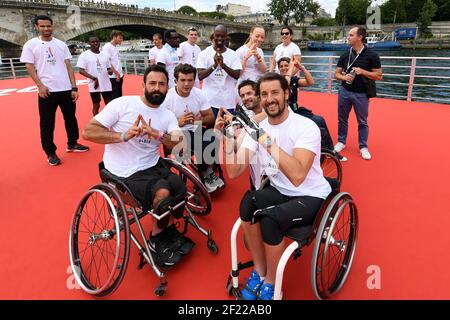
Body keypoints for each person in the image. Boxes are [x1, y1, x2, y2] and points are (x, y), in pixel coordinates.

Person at [216, 72, 331, 300]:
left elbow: (297, 175)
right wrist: (227, 137)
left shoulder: (306, 127)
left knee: (270, 219)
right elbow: (234, 171)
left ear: (287, 94)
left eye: (275, 92)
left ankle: (271, 282)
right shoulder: (257, 129)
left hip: (310, 194)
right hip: (279, 189)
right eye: (265, 94)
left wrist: (266, 141)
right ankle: (260, 271)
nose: (270, 99)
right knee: (248, 202)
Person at [82, 64, 193, 267]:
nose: (157, 88)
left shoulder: (166, 115)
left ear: (167, 87)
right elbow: (88, 132)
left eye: (161, 84)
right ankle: (156, 239)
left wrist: (157, 134)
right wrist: (122, 136)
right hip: (123, 170)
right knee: (163, 193)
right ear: (143, 85)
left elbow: (180, 144)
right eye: (152, 83)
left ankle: (167, 229)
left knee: (179, 187)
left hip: (152, 165)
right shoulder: (122, 105)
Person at [20, 15, 89, 166]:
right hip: (47, 91)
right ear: (36, 27)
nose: (46, 29)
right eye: (42, 26)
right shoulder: (31, 44)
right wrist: (40, 85)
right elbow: (29, 66)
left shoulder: (61, 44)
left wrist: (74, 87)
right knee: (47, 123)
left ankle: (72, 143)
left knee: (71, 118)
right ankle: (50, 152)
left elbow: (68, 66)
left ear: (52, 26)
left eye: (48, 26)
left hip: (66, 89)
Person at [161, 63, 224, 192]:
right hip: (176, 134)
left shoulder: (199, 94)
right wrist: (178, 122)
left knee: (213, 136)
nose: (186, 84)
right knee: (200, 141)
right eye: (182, 80)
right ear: (176, 81)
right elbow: (161, 126)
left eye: (190, 80)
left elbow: (210, 117)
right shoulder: (167, 98)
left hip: (195, 129)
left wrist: (197, 120)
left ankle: (207, 171)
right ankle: (206, 173)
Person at [278, 57, 347, 161]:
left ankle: (329, 150)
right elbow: (284, 85)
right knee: (317, 121)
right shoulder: (277, 81)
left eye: (286, 65)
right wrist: (290, 68)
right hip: (286, 114)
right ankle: (327, 151)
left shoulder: (293, 79)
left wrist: (302, 68)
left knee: (320, 120)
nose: (284, 68)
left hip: (295, 110)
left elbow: (310, 82)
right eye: (281, 66)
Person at [334, 27, 382, 160]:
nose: (348, 37)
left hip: (361, 94)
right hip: (344, 91)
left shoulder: (372, 55)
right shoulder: (345, 55)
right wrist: (344, 78)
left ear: (360, 37)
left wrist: (363, 72)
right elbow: (337, 74)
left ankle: (363, 147)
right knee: (342, 118)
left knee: (362, 121)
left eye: (350, 35)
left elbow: (378, 76)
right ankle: (341, 142)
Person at [197, 25, 242, 118]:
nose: (220, 38)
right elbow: (200, 76)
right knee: (206, 131)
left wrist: (223, 66)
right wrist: (214, 66)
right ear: (213, 36)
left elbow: (237, 75)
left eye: (222, 36)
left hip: (227, 103)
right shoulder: (204, 53)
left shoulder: (233, 55)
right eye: (217, 35)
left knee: (228, 131)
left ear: (226, 37)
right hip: (208, 101)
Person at [76, 36, 113, 115]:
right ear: (89, 43)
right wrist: (94, 78)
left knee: (109, 104)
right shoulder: (84, 55)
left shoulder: (104, 54)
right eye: (93, 42)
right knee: (96, 105)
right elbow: (81, 71)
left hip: (106, 84)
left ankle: (109, 121)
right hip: (93, 84)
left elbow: (108, 68)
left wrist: (110, 71)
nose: (95, 43)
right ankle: (96, 123)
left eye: (97, 41)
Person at [102, 30, 124, 99]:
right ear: (114, 37)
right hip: (113, 77)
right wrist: (116, 73)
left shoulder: (116, 47)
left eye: (122, 38)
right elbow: (107, 62)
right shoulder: (107, 47)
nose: (121, 40)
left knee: (119, 96)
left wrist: (120, 73)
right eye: (120, 38)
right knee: (114, 97)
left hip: (119, 75)